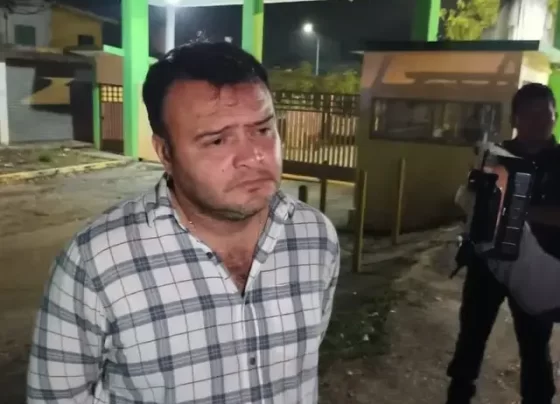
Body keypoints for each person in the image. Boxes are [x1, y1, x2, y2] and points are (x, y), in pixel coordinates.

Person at [26, 42, 340, 403]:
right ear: (165, 153)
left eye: (263, 130)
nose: (253, 156)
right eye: (218, 140)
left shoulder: (315, 237)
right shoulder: (96, 263)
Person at [446, 83, 559, 404]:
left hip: (537, 270)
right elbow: (472, 202)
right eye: (530, 114)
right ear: (515, 118)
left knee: (535, 347)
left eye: (546, 114)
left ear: (555, 117)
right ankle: (458, 396)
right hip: (488, 265)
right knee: (470, 339)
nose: (539, 122)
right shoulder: (494, 154)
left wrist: (519, 211)